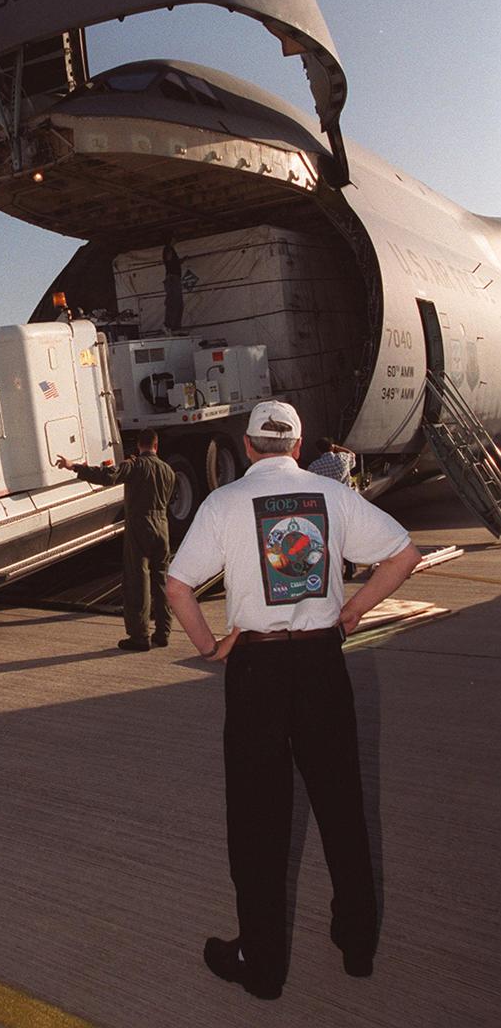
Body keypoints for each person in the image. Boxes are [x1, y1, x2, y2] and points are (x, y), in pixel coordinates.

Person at [165, 400, 420, 1000]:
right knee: (341, 804)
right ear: (298, 448)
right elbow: (404, 555)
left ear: (249, 446)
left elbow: (177, 586)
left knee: (257, 819)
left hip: (256, 669)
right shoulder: (331, 495)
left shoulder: (224, 502)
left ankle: (262, 964)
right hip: (321, 663)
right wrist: (351, 612)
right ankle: (357, 943)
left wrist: (210, 646)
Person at [56, 428, 176, 650]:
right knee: (161, 581)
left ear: (139, 446)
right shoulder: (168, 470)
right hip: (162, 526)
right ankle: (163, 632)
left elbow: (107, 476)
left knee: (138, 581)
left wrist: (74, 466)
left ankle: (140, 636)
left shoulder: (135, 466)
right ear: (156, 446)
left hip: (140, 525)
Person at [309, 437, 358, 578]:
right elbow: (352, 454)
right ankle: (350, 567)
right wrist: (337, 447)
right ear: (331, 447)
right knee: (347, 535)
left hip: (327, 503)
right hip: (346, 502)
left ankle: (336, 568)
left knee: (333, 537)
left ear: (318, 451)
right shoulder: (342, 459)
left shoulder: (314, 466)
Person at [162, 243, 184, 332]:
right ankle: (169, 325)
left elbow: (173, 262)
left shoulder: (171, 250)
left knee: (179, 303)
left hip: (175, 279)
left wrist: (181, 261)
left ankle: (175, 326)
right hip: (172, 279)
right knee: (173, 302)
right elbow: (169, 260)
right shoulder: (168, 249)